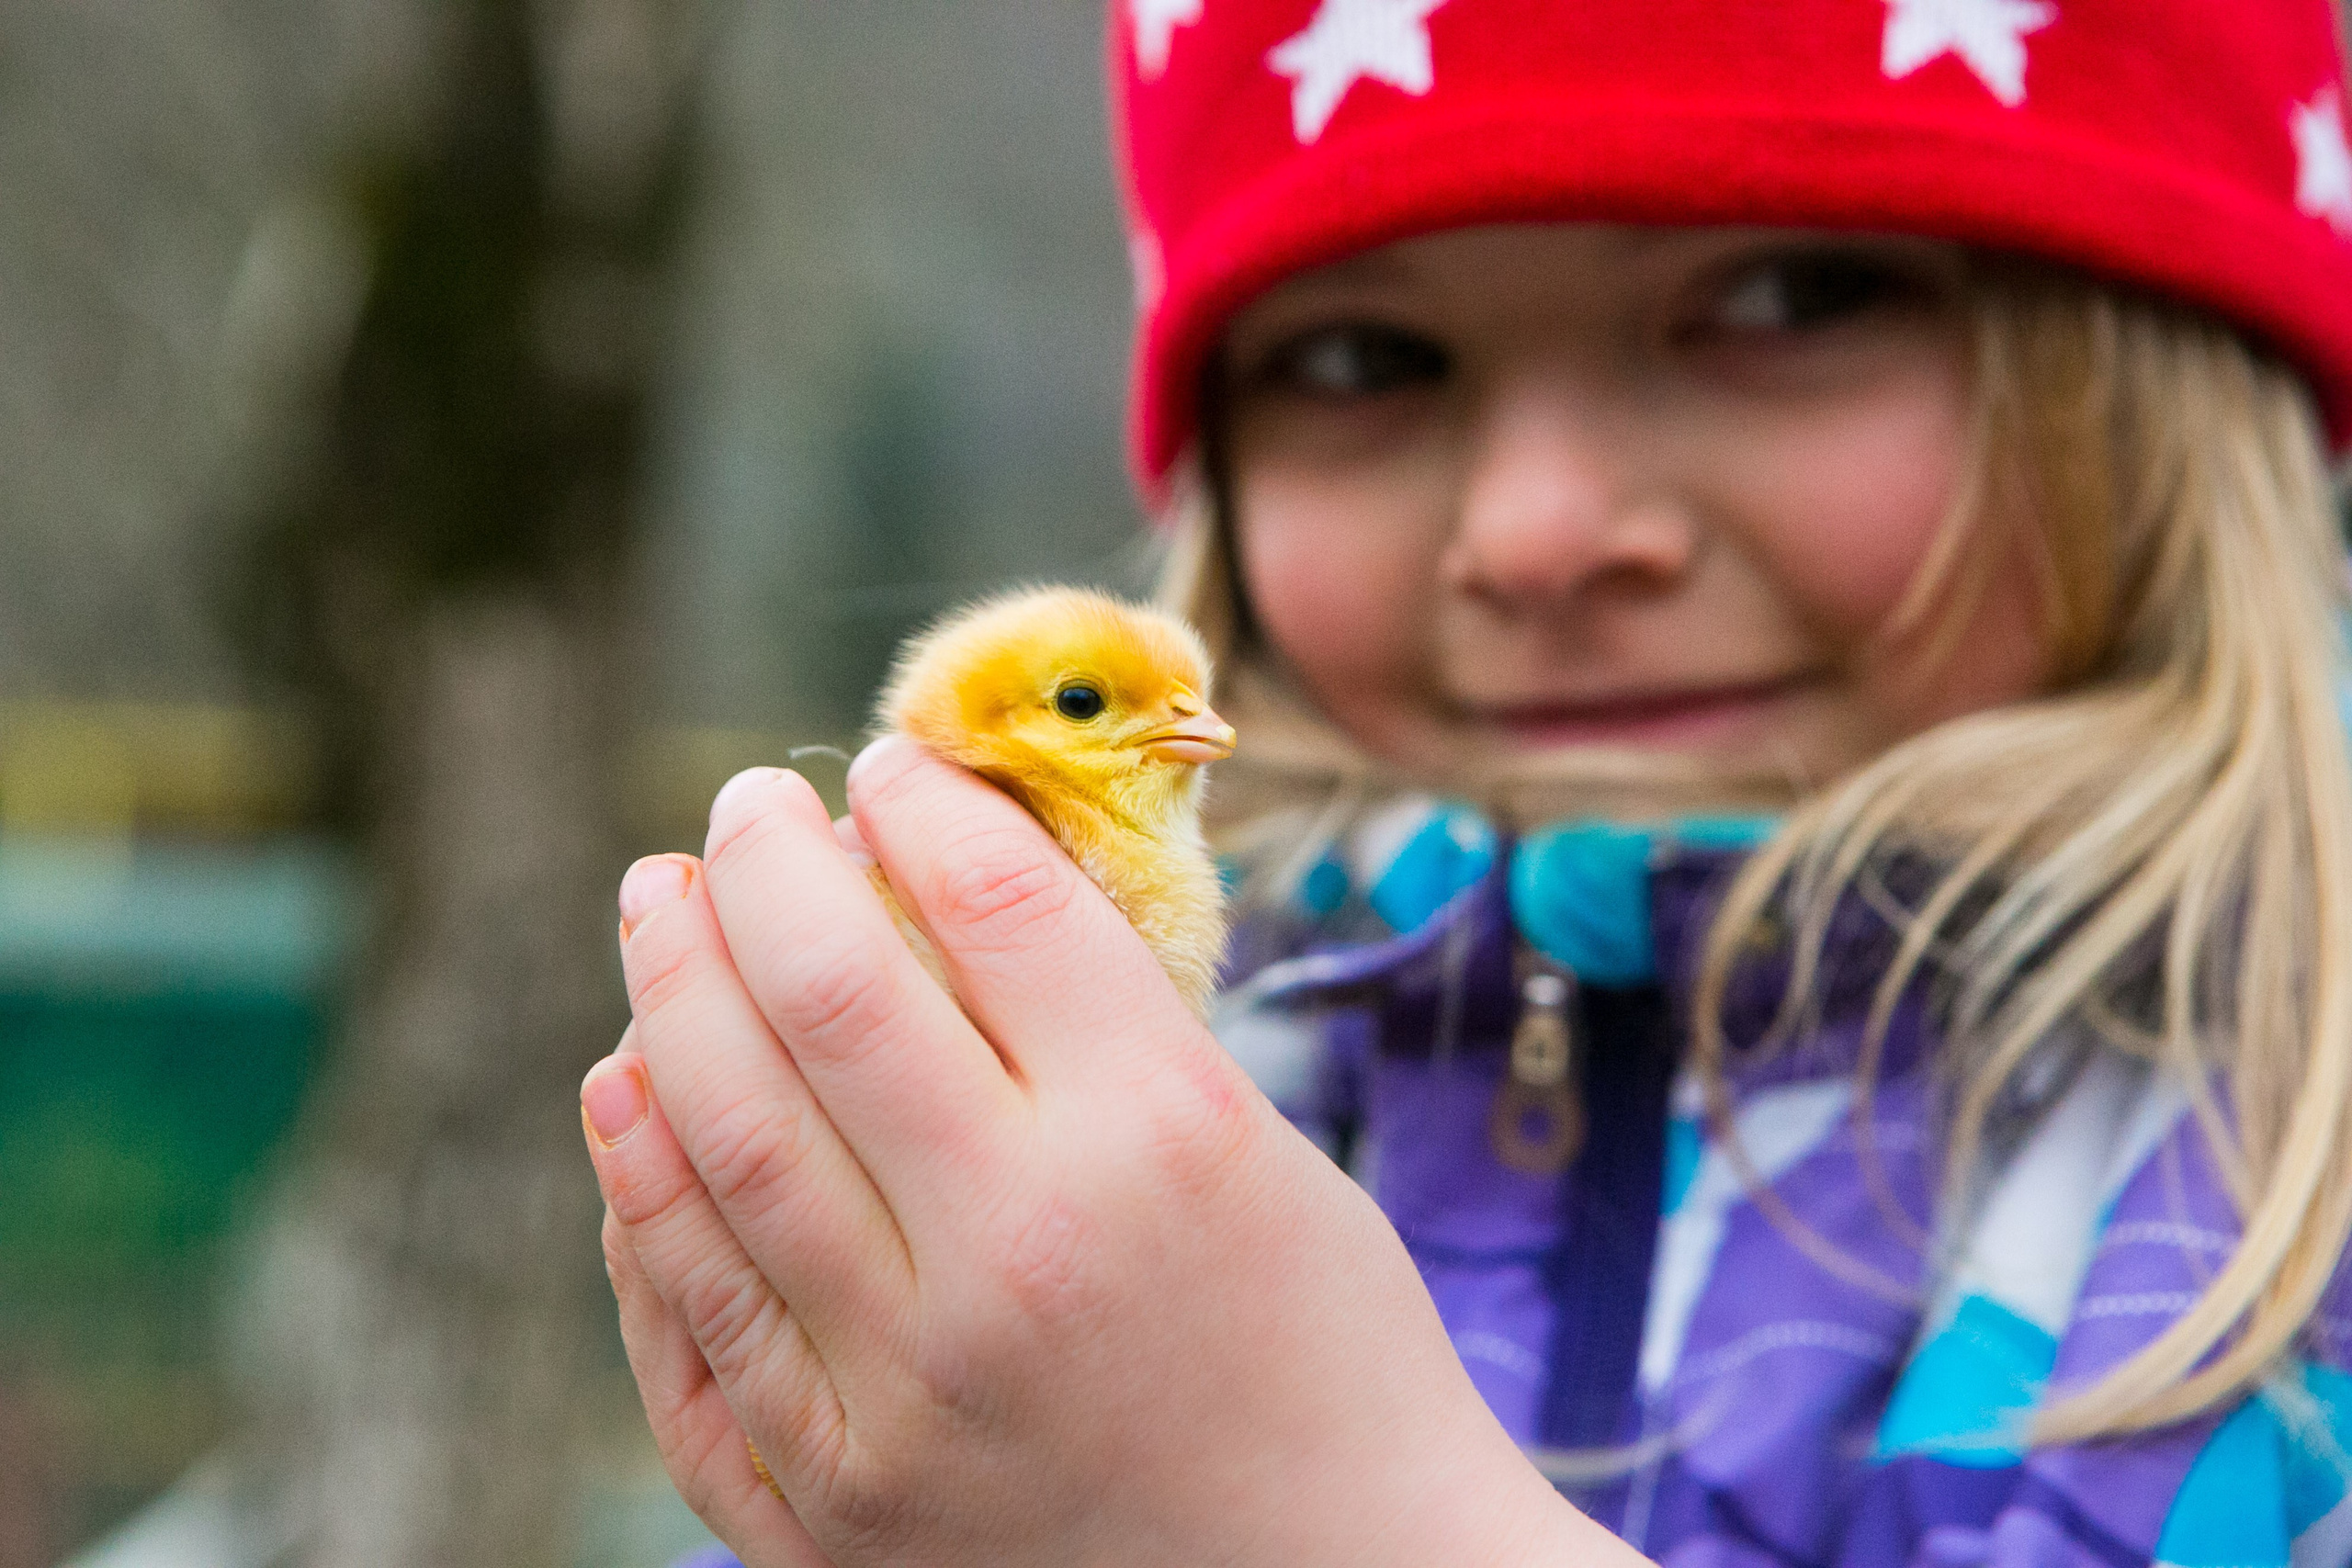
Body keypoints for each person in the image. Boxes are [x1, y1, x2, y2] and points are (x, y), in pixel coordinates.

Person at [582, 2, 2352, 1562]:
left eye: (1782, 296)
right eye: (1365, 359)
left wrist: (1307, 1526)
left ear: (2169, 372)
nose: (1536, 533)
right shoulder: (1172, 1083)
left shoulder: (2296, 1204)